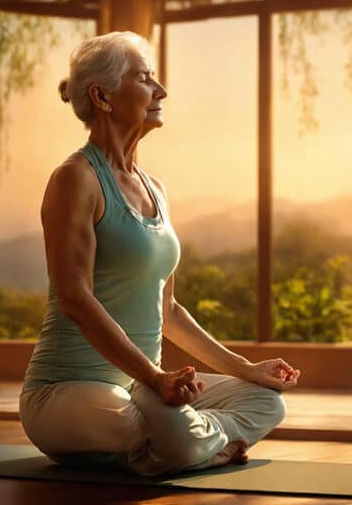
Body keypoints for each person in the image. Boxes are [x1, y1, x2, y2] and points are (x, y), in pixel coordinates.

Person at [18, 31, 301, 477]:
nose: (161, 90)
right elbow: (75, 299)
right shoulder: (76, 179)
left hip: (145, 388)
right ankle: (184, 444)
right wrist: (155, 379)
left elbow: (167, 310)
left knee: (265, 400)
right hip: (67, 394)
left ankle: (176, 447)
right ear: (102, 96)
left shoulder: (156, 190)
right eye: (145, 78)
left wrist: (246, 368)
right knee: (137, 418)